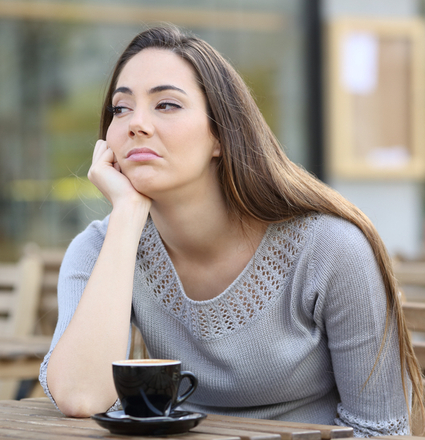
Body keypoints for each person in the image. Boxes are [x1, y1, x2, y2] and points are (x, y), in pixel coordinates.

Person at [38, 25, 425, 437]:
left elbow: (380, 431)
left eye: (166, 105)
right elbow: (81, 397)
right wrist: (128, 216)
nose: (136, 124)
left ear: (219, 134)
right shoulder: (103, 247)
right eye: (121, 108)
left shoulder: (331, 250)